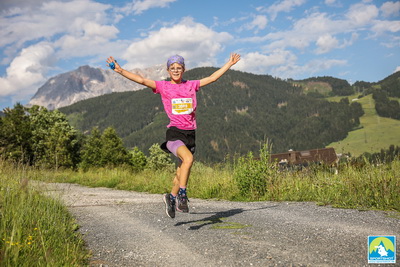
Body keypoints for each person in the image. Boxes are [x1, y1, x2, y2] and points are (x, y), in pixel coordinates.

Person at [106, 53, 241, 218]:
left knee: (180, 173)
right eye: (172, 68)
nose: (176, 70)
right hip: (174, 134)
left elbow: (212, 78)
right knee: (189, 159)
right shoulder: (163, 86)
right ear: (168, 70)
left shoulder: (191, 85)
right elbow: (141, 80)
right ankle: (182, 195)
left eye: (179, 68)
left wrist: (229, 64)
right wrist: (119, 70)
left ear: (183, 69)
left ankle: (171, 196)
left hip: (190, 134)